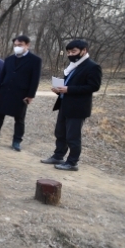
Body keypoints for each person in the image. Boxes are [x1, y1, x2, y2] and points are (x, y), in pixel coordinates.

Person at [41, 40, 102, 171]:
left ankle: (72, 162)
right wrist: (59, 89)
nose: (70, 54)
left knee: (72, 136)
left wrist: (69, 89)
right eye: (68, 52)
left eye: (73, 51)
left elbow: (93, 86)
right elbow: (69, 83)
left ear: (84, 50)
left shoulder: (92, 66)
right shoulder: (73, 65)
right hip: (65, 104)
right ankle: (58, 156)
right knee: (60, 132)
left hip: (78, 107)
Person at [0, 35, 42, 151]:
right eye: (15, 45)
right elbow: (2, 76)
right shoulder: (9, 59)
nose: (17, 47)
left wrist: (31, 95)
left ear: (27, 45)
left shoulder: (35, 60)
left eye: (20, 45)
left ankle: (16, 141)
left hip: (21, 94)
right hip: (5, 91)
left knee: (19, 118)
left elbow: (35, 79)